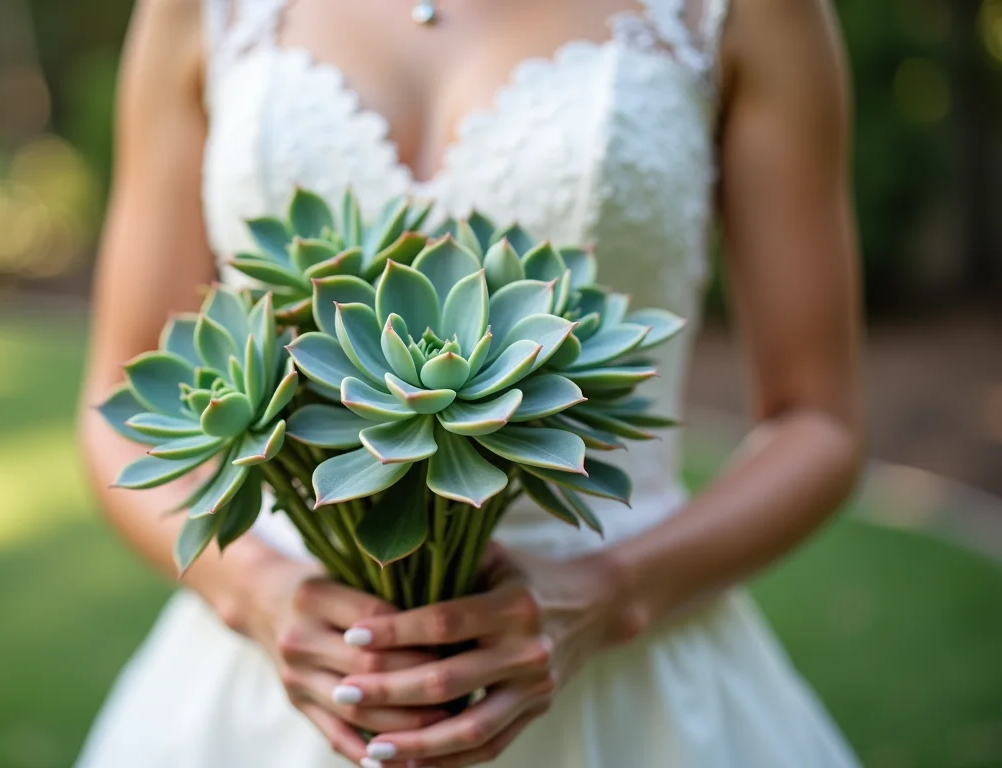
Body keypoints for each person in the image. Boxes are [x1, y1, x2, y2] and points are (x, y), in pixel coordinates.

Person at [74, 0, 865, 765]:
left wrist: (610, 593)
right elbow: (120, 399)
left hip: (624, 672)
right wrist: (256, 591)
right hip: (275, 685)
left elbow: (818, 422)